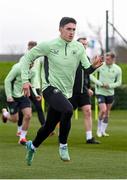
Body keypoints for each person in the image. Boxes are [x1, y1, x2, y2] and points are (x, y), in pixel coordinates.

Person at [20, 17, 103, 165]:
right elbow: (27, 58)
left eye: (73, 29)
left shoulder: (78, 48)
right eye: (68, 29)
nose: (71, 32)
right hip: (49, 88)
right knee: (68, 110)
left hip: (66, 92)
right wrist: (26, 81)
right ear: (60, 29)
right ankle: (63, 145)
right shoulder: (49, 45)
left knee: (48, 127)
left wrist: (94, 66)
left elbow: (86, 69)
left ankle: (32, 146)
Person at [69, 37, 100, 144]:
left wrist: (89, 88)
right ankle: (62, 136)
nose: (84, 46)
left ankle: (89, 138)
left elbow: (87, 75)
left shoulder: (86, 58)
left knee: (87, 112)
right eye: (82, 44)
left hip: (83, 91)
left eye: (85, 44)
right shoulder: (69, 57)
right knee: (66, 114)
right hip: (70, 92)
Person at [2, 61, 37, 145]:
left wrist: (36, 94)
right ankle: (6, 114)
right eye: (30, 61)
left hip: (23, 96)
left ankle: (22, 138)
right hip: (12, 96)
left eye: (33, 62)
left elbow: (32, 84)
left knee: (28, 115)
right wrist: (9, 95)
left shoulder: (33, 71)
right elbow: (7, 80)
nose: (32, 64)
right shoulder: (18, 68)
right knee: (15, 119)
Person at [17, 41, 45, 136]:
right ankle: (19, 128)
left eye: (34, 48)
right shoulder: (23, 58)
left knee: (39, 108)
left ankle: (45, 128)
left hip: (36, 87)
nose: (32, 50)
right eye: (31, 48)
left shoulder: (40, 58)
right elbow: (20, 72)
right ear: (28, 48)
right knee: (23, 109)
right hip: (25, 87)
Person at [90, 52, 122, 137]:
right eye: (106, 58)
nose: (106, 60)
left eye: (108, 59)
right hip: (100, 92)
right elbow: (90, 75)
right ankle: (99, 130)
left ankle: (103, 131)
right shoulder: (101, 65)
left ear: (113, 59)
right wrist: (100, 83)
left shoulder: (118, 69)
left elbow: (119, 82)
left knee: (107, 113)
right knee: (103, 110)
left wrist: (110, 85)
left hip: (110, 93)